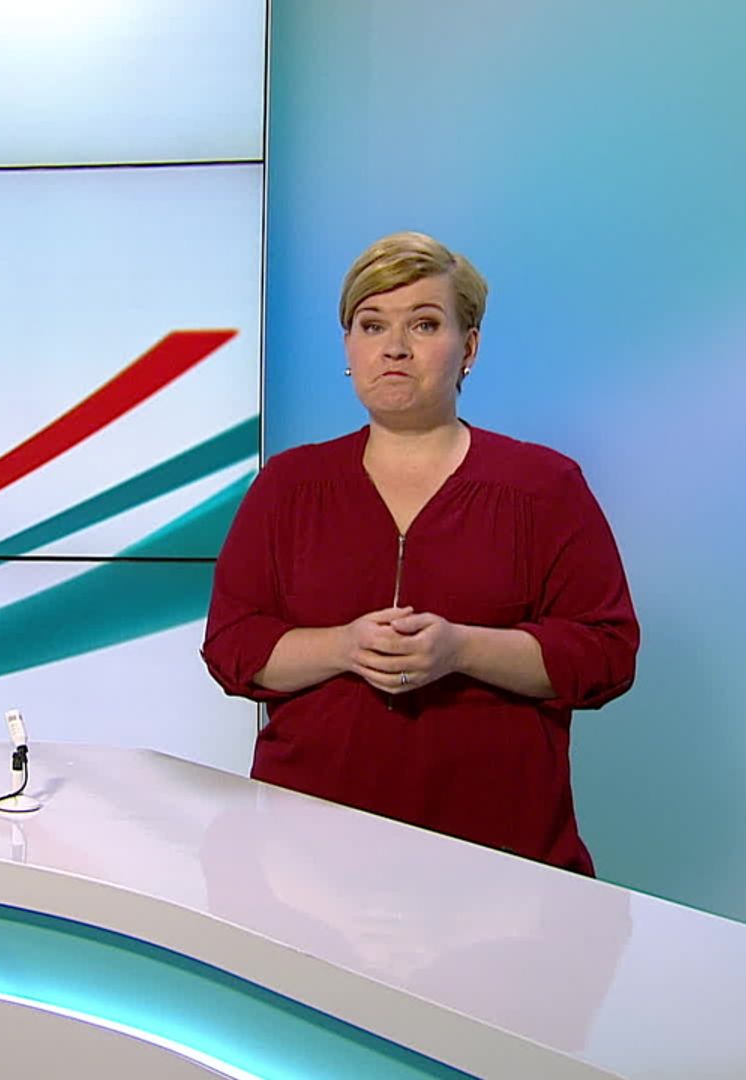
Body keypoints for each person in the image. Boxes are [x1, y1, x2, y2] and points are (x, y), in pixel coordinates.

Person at [201, 231, 637, 875]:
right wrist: (344, 646)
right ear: (349, 346)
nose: (395, 347)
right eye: (372, 324)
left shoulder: (545, 487)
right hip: (306, 867)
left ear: (470, 347)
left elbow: (606, 653)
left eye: (425, 324)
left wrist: (460, 649)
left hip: (503, 868)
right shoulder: (288, 487)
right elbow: (232, 646)